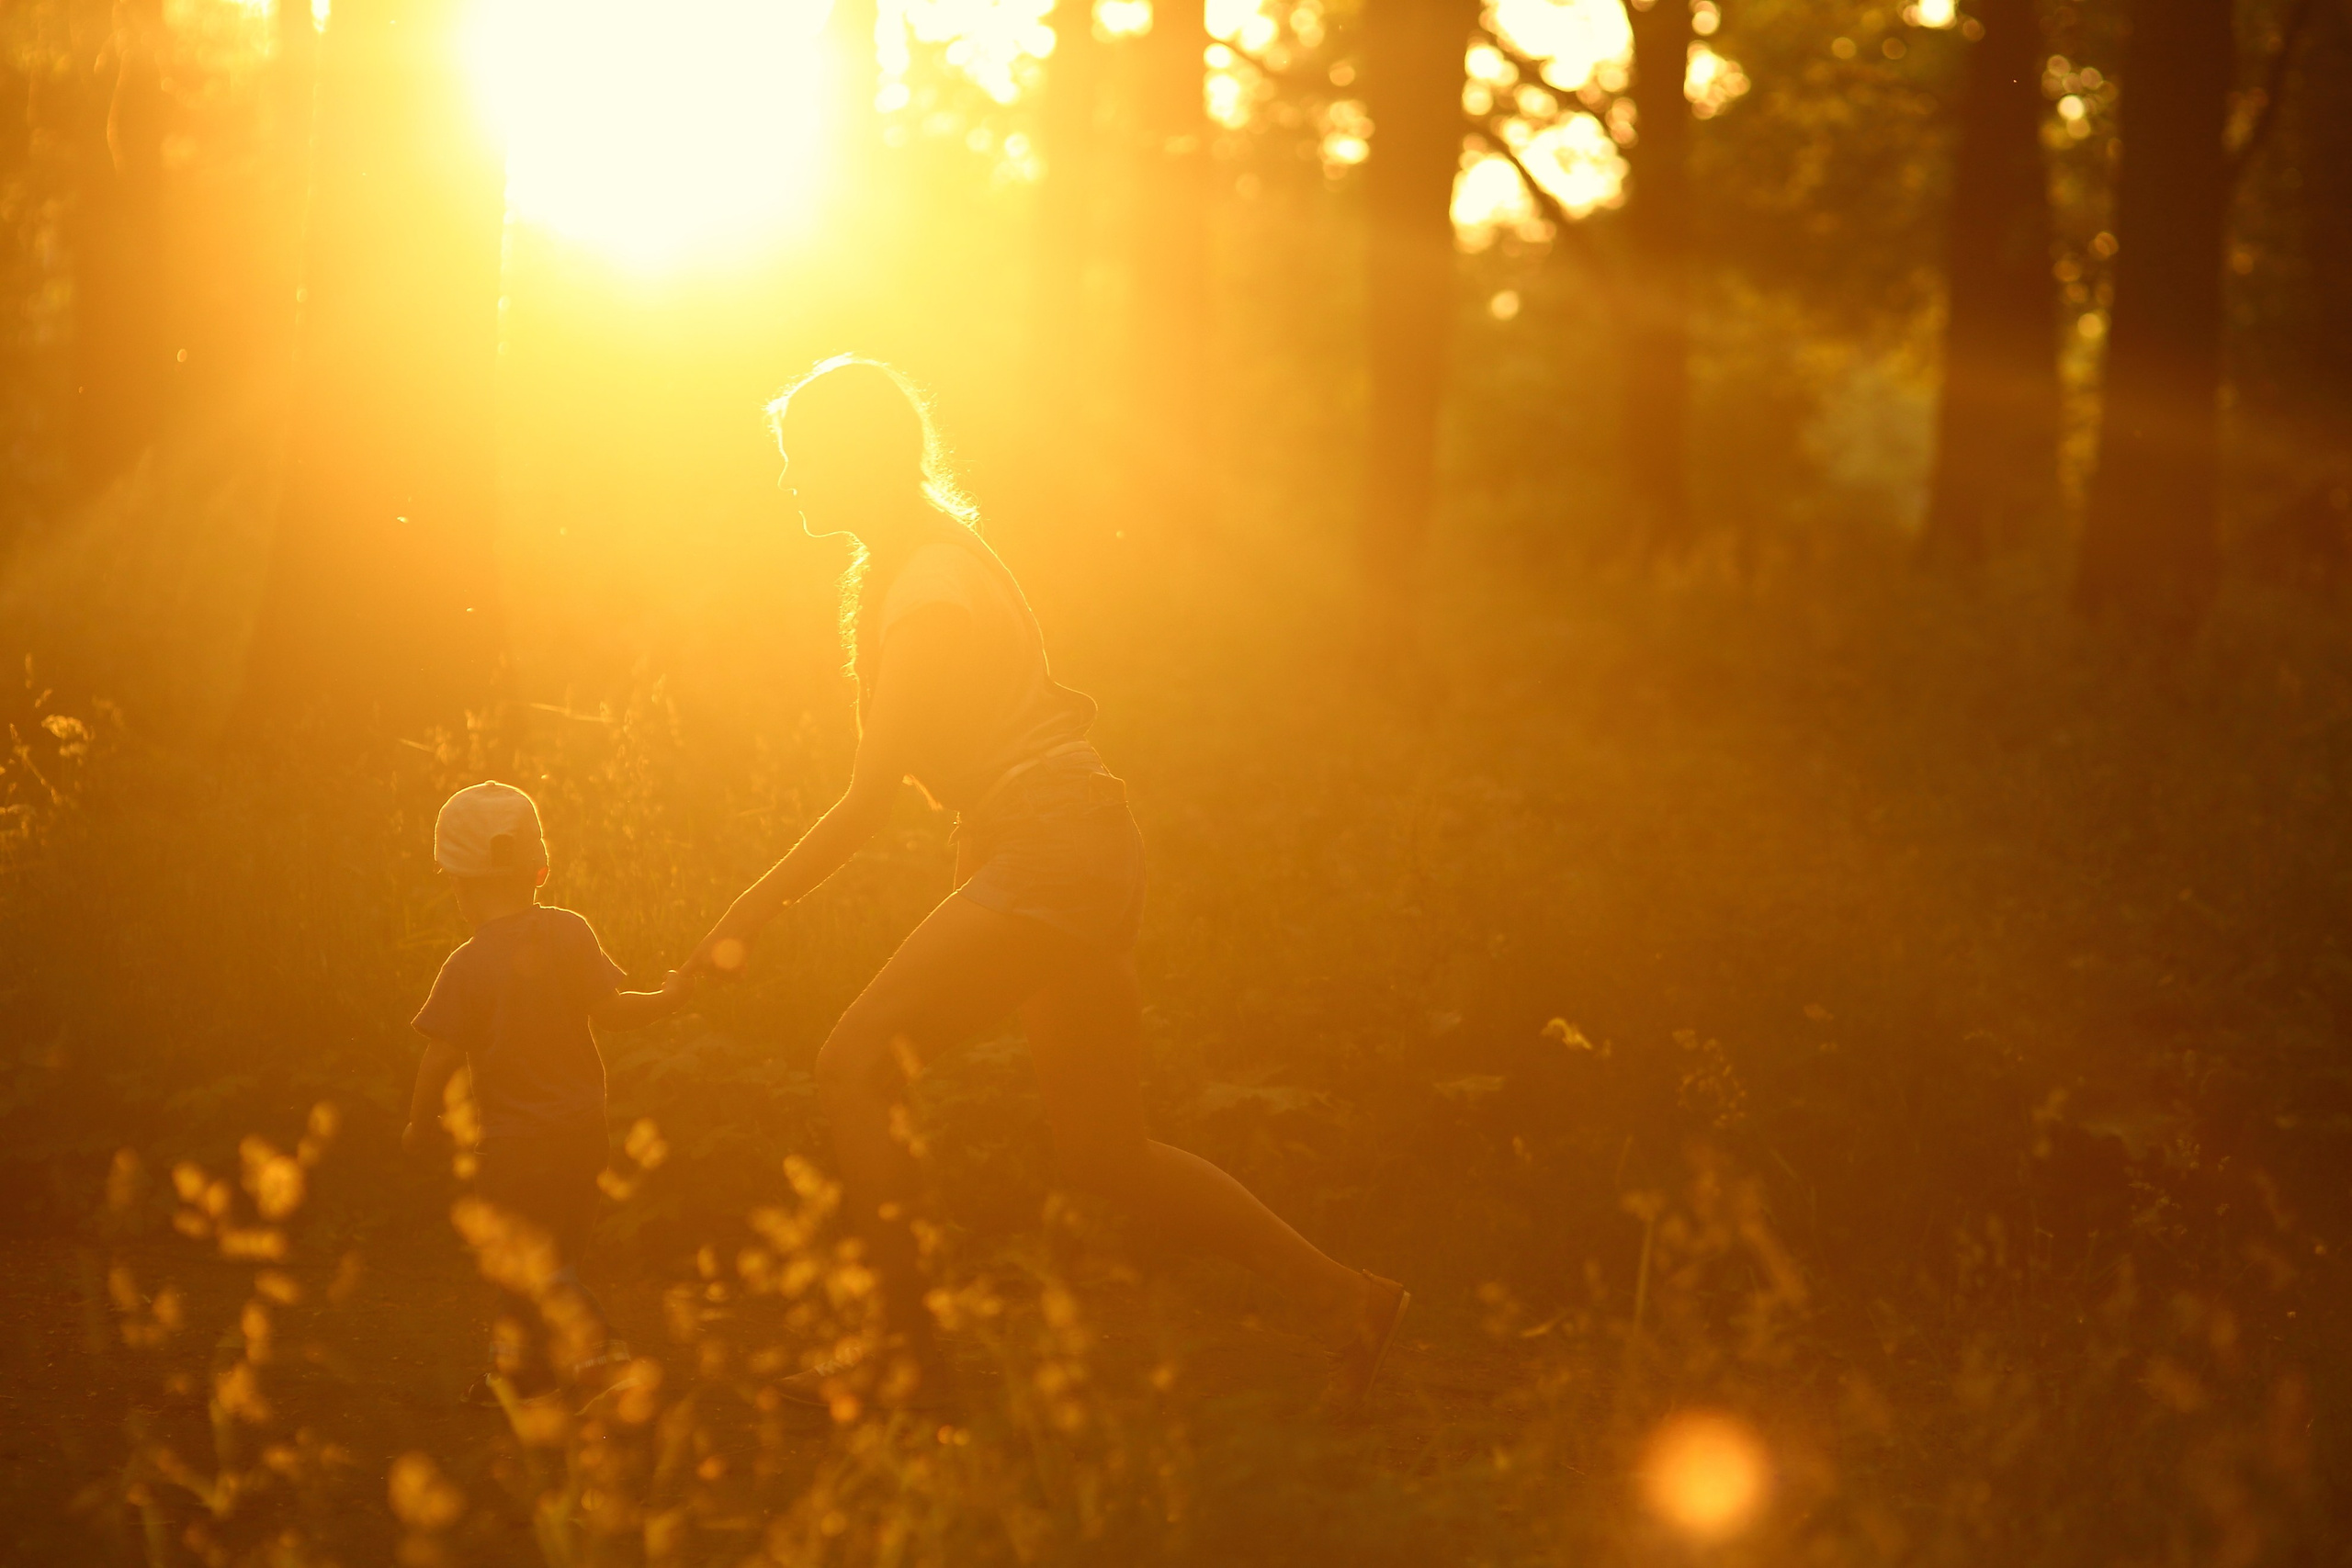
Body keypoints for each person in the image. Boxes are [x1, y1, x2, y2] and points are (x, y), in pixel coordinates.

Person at [682, 355, 1408, 1414]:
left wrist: (744, 915)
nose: (791, 481)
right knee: (1106, 1152)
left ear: (859, 457)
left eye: (803, 460)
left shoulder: (927, 589)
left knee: (851, 1066)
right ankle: (1348, 1297)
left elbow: (869, 798)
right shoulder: (921, 562)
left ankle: (907, 1358)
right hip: (1068, 842)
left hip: (1053, 847)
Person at [403, 780, 687, 1404]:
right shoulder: (568, 933)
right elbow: (612, 1009)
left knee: (520, 1259)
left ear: (456, 881)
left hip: (514, 1147)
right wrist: (668, 999)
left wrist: (420, 1122)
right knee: (555, 1252)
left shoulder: (467, 965)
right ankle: (522, 1372)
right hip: (585, 1131)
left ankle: (600, 1356)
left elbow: (441, 1054)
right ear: (541, 869)